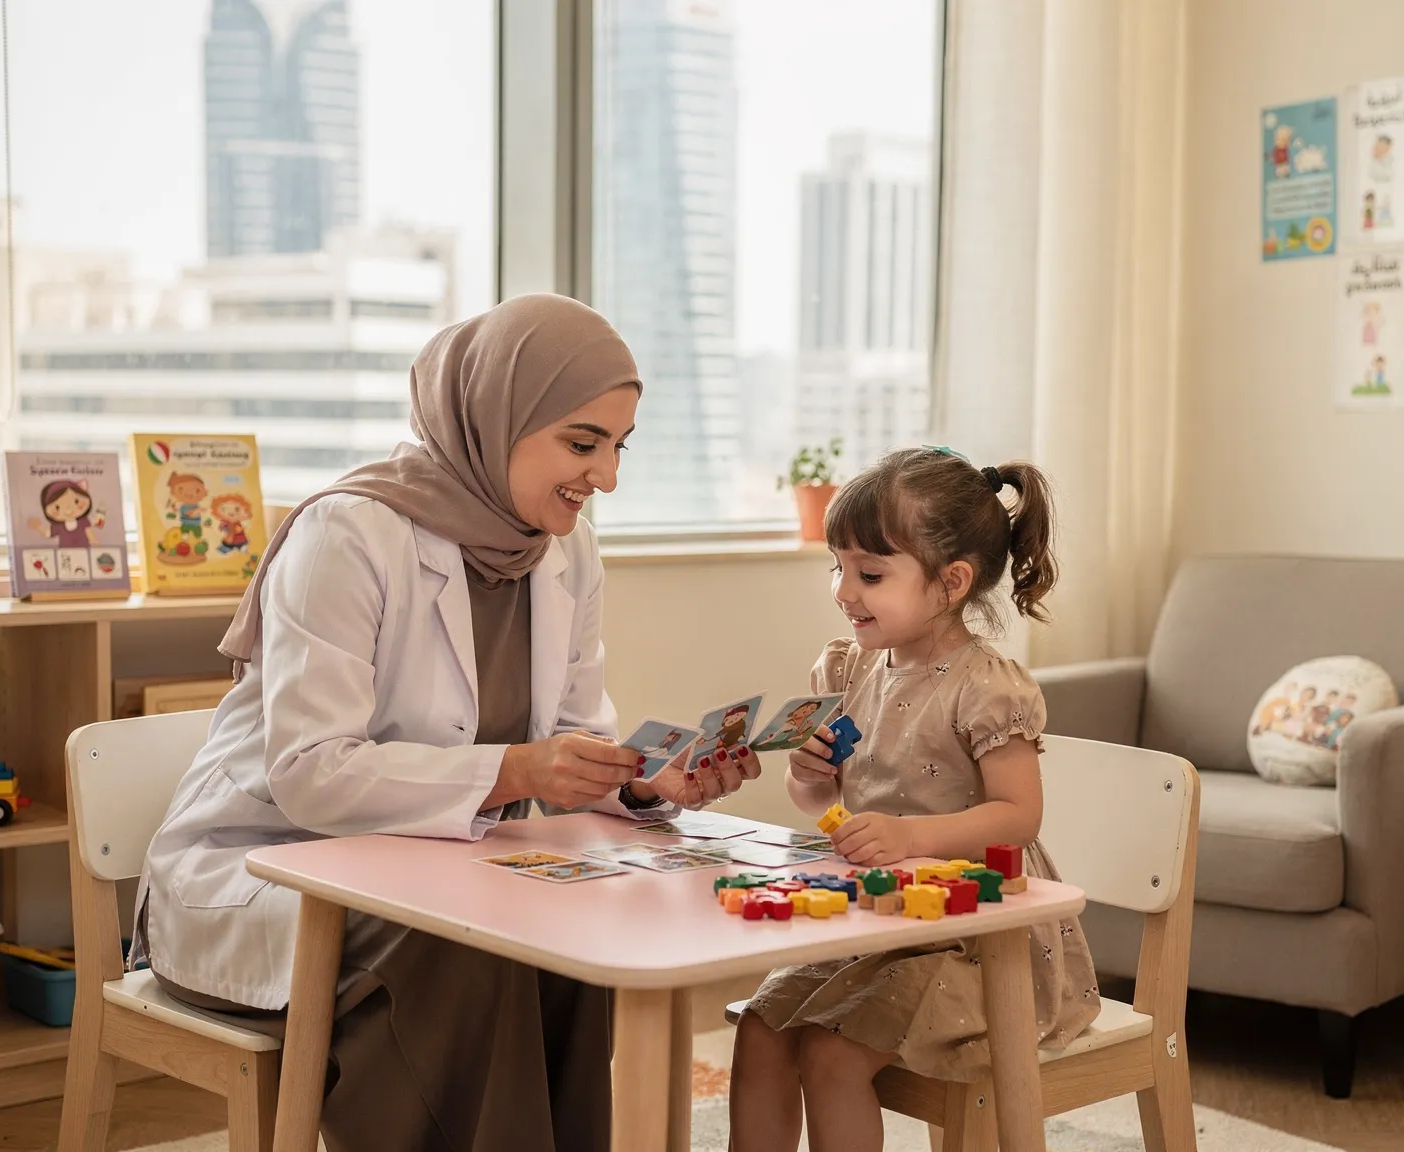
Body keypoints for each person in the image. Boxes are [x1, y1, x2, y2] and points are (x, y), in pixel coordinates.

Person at [128, 294, 760, 1152]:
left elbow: (576, 733)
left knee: (580, 943)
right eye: (582, 444)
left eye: (618, 447)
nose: (605, 475)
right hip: (275, 869)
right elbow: (310, 770)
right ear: (493, 417)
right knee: (466, 949)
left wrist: (646, 782)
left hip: (438, 873)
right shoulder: (347, 534)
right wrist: (518, 773)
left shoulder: (565, 549)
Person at [727, 447, 1098, 1152]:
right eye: (838, 566)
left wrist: (908, 837)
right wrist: (809, 775)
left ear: (951, 583)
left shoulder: (987, 687)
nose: (844, 590)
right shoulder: (848, 666)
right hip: (876, 923)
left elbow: (1020, 817)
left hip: (979, 937)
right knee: (760, 1027)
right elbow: (818, 801)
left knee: (831, 1057)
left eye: (869, 573)